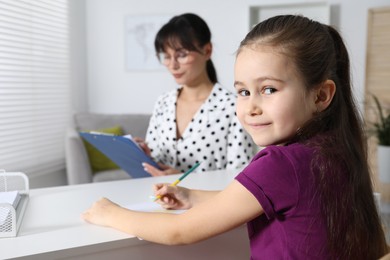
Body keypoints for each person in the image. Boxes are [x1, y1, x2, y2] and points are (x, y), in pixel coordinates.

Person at [82, 15, 388, 259]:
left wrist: (111, 214)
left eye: (268, 89)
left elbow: (180, 232)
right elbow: (255, 198)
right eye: (243, 91)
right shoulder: (334, 149)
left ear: (321, 95)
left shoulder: (280, 162)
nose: (251, 107)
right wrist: (193, 196)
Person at [134, 13, 255, 176]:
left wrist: (185, 180)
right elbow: (157, 159)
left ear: (207, 51)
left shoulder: (233, 107)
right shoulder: (163, 102)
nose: (173, 65)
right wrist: (144, 154)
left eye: (182, 55)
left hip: (207, 201)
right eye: (166, 56)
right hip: (158, 198)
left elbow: (240, 177)